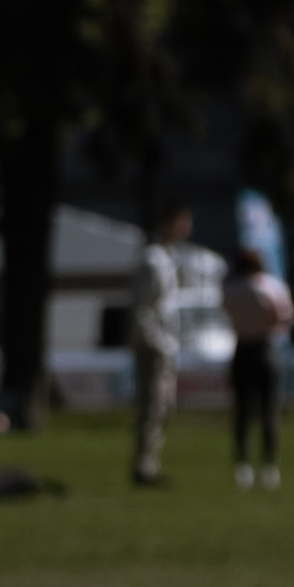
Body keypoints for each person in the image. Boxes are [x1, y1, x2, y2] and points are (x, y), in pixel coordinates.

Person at [129, 201, 193, 489]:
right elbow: (142, 308)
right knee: (153, 408)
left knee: (164, 408)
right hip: (154, 346)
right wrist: (156, 343)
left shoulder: (168, 257)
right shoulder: (152, 259)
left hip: (166, 345)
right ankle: (144, 467)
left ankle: (150, 462)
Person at [224, 242, 294, 488]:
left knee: (242, 412)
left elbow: (226, 311)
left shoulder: (231, 288)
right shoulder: (270, 286)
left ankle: (243, 465)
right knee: (269, 411)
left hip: (242, 348)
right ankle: (269, 467)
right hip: (265, 349)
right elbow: (284, 316)